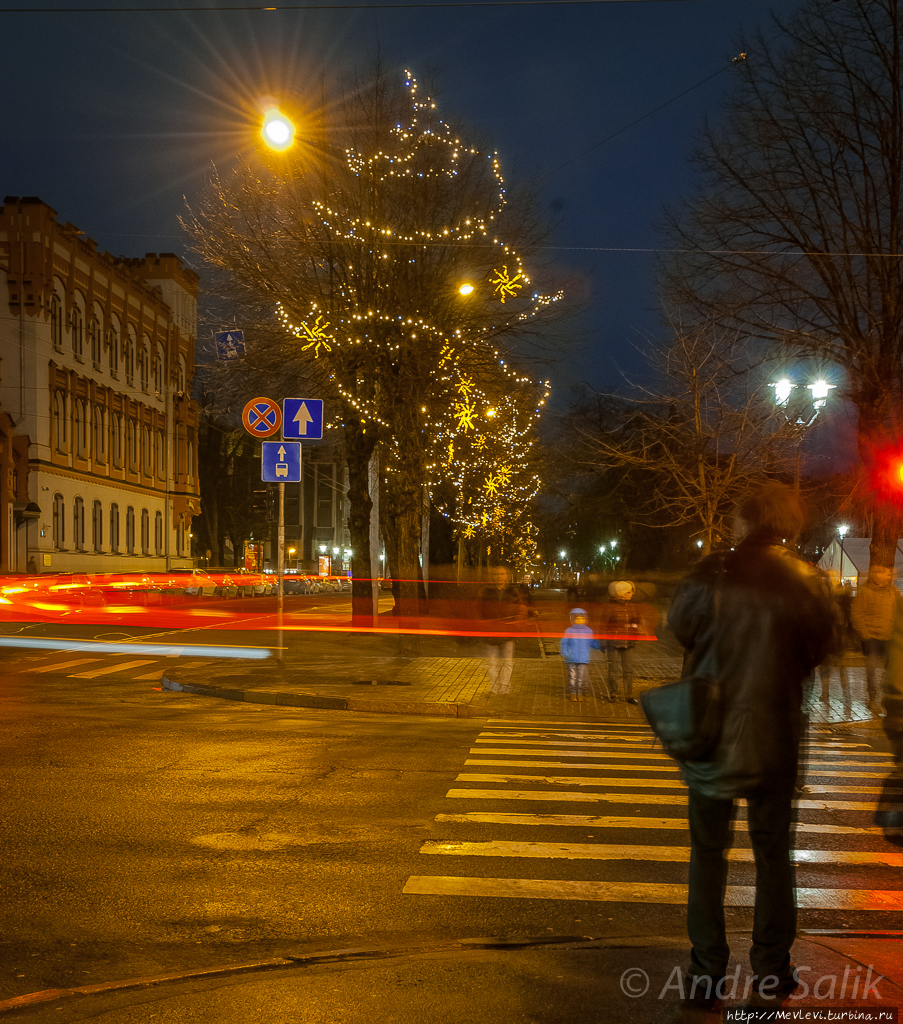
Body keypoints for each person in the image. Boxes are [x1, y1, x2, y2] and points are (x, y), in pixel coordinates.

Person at [667, 483, 833, 1003]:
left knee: (708, 853)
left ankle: (705, 973)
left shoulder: (711, 571)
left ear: (743, 522)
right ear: (785, 522)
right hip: (776, 734)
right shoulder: (808, 579)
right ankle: (771, 970)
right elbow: (819, 649)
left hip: (711, 732)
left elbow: (681, 629)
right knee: (773, 853)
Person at [851, 564, 897, 715]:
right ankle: (872, 699)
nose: (890, 577)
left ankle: (886, 698)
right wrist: (865, 635)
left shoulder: (893, 593)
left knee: (890, 670)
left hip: (889, 637)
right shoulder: (865, 592)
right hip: (871, 638)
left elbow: (897, 612)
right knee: (871, 670)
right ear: (878, 575)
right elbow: (856, 614)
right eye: (887, 574)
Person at [479, 565, 527, 695]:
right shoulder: (487, 592)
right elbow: (480, 609)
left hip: (508, 632)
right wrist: (484, 625)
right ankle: (494, 688)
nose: (499, 576)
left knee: (507, 662)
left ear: (506, 576)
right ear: (493, 577)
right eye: (497, 574)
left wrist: (516, 623)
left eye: (502, 574)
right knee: (492, 663)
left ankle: (505, 687)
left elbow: (521, 609)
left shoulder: (513, 591)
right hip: (492, 632)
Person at [598, 581, 643, 704]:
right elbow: (603, 626)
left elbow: (636, 623)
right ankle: (613, 693)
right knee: (613, 669)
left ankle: (629, 695)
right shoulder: (609, 607)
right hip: (613, 642)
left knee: (628, 670)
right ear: (622, 594)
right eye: (628, 591)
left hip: (629, 642)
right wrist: (603, 643)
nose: (631, 593)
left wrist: (636, 629)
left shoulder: (632, 606)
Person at [559, 607, 602, 702]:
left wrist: (601, 646)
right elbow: (564, 642)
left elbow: (591, 642)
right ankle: (573, 693)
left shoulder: (588, 631)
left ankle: (579, 692)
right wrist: (565, 653)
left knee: (581, 677)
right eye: (577, 618)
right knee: (572, 677)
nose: (580, 620)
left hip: (583, 658)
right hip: (571, 658)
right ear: (573, 619)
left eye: (582, 618)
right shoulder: (569, 631)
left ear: (585, 619)